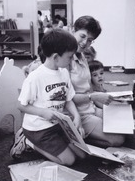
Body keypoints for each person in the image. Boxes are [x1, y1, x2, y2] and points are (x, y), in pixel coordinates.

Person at [13, 28, 86, 166]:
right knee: (69, 161)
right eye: (69, 57)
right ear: (56, 57)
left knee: (82, 154)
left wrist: (77, 117)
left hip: (58, 125)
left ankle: (56, 142)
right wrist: (43, 112)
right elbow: (20, 105)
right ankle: (28, 142)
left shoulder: (64, 72)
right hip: (37, 128)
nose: (71, 61)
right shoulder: (35, 76)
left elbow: (68, 99)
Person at [69, 15, 125, 147]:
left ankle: (80, 136)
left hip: (89, 107)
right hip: (77, 113)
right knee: (119, 139)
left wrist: (107, 105)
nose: (85, 43)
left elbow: (88, 88)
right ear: (73, 31)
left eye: (90, 40)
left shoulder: (82, 56)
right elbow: (67, 98)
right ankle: (75, 138)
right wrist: (94, 97)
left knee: (124, 124)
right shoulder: (65, 59)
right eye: (82, 36)